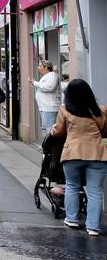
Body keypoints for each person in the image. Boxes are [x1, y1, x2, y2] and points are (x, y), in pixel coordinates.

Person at [50, 79, 107, 236]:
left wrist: (53, 130)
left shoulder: (65, 110)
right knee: (96, 190)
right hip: (97, 154)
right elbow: (105, 131)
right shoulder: (100, 111)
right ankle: (94, 227)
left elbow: (59, 132)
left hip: (73, 154)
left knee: (73, 186)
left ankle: (72, 219)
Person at [30, 61, 61, 135]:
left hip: (49, 107)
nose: (38, 68)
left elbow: (50, 87)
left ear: (46, 67)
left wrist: (35, 83)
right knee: (47, 128)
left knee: (50, 129)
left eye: (40, 66)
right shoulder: (47, 76)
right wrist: (35, 83)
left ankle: (52, 146)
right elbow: (43, 87)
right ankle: (48, 145)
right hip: (45, 107)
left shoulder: (53, 75)